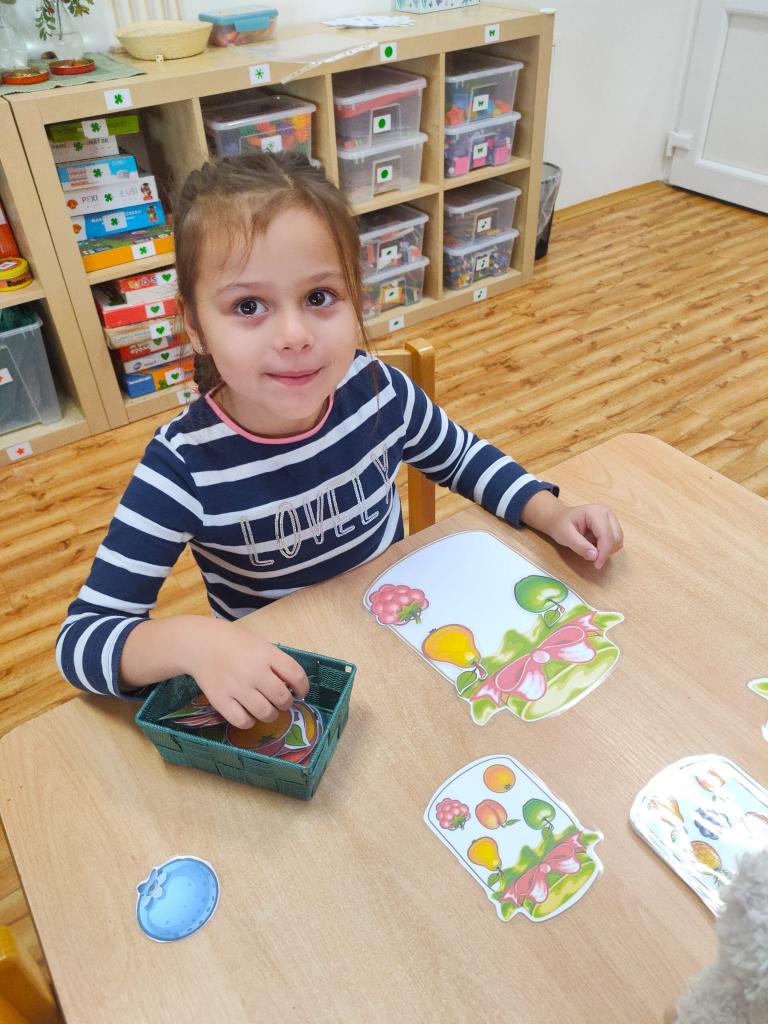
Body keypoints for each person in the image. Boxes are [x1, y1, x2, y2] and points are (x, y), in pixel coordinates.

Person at [56, 152, 623, 729]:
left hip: (405, 638)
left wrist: (552, 513)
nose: (295, 335)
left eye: (320, 297)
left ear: (356, 297)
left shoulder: (379, 392)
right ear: (196, 327)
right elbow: (81, 641)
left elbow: (464, 459)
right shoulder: (182, 468)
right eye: (248, 306)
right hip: (294, 690)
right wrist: (191, 642)